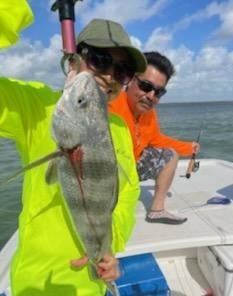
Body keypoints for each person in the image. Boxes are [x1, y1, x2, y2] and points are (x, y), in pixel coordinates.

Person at [0, 18, 147, 296]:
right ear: (73, 60)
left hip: (94, 281)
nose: (110, 76)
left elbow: (127, 194)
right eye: (101, 60)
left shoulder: (118, 127)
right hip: (41, 282)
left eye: (123, 71)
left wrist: (108, 247)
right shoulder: (36, 106)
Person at [109, 51, 200, 225]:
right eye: (145, 86)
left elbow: (157, 139)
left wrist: (188, 147)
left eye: (159, 92)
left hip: (131, 169)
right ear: (129, 79)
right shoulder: (108, 104)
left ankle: (157, 211)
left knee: (170, 155)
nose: (151, 96)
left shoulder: (149, 113)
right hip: (105, 173)